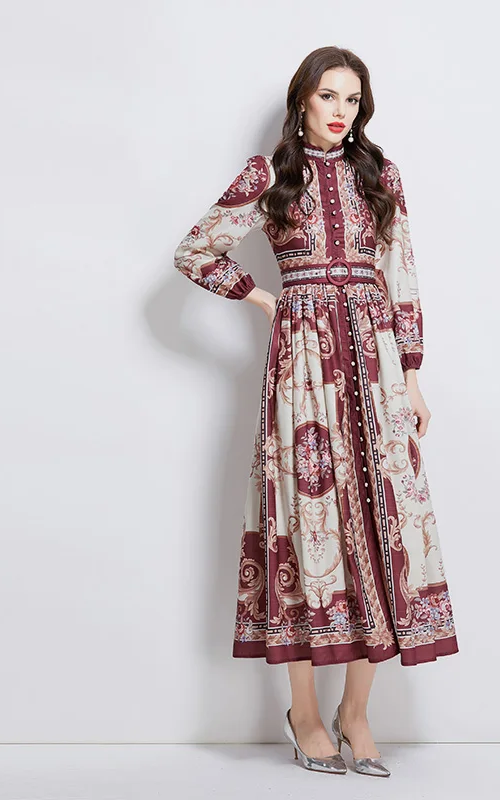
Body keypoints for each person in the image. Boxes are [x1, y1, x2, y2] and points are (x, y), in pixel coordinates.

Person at [173, 46, 459, 777]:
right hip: (302, 369)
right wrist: (267, 298)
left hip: (376, 365)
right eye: (328, 95)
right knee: (307, 523)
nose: (340, 111)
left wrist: (412, 376)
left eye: (352, 100)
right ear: (302, 99)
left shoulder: (380, 174)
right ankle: (304, 713)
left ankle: (355, 713)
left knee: (386, 523)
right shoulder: (269, 175)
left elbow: (402, 273)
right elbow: (196, 251)